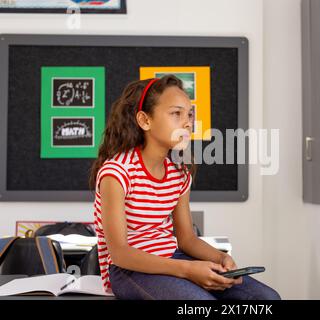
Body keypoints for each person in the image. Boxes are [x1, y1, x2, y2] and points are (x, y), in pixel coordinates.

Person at [89, 75, 281, 300]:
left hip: (173, 257)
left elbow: (187, 239)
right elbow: (120, 253)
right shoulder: (117, 173)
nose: (188, 122)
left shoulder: (178, 172)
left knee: (266, 299)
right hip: (128, 270)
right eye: (176, 113)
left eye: (189, 114)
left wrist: (220, 259)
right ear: (144, 120)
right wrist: (188, 270)